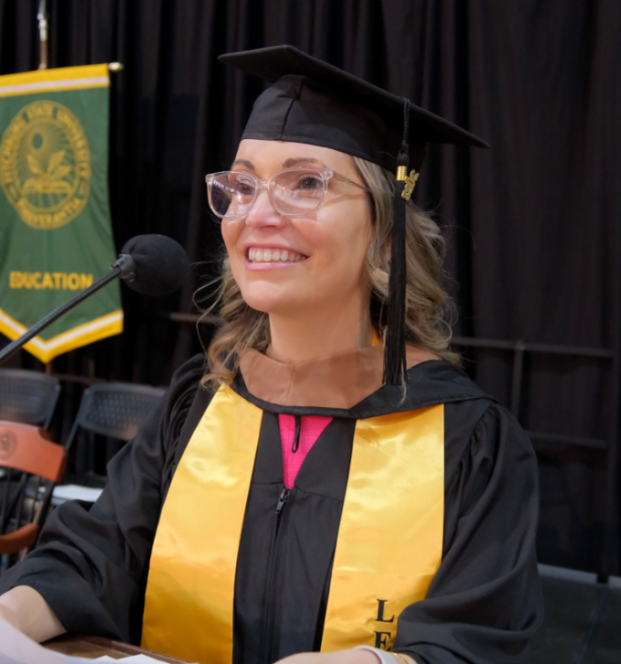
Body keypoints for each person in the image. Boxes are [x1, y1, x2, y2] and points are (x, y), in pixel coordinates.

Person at [0, 46, 542, 664]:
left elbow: (476, 639)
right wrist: (9, 616)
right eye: (242, 184)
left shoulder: (468, 438)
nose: (256, 215)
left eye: (306, 182)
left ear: (387, 235)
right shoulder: (200, 403)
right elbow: (94, 553)